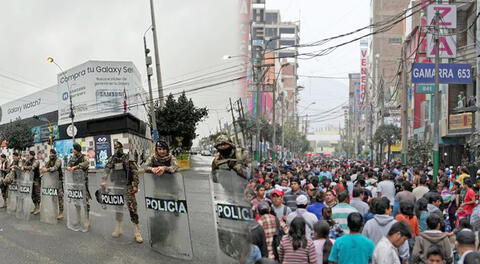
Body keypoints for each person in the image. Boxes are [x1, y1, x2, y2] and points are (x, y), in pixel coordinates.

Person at [102, 141, 143, 243]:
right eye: (115, 148)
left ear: (121, 148)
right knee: (118, 208)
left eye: (118, 148)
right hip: (117, 186)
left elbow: (134, 172)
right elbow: (107, 168)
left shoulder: (127, 158)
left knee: (132, 208)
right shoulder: (112, 158)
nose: (116, 150)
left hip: (128, 186)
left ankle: (137, 232)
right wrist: (104, 180)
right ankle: (118, 228)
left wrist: (135, 185)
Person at [362, 197, 410, 261]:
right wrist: (404, 258)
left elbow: (364, 245)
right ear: (386, 210)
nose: (391, 210)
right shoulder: (396, 225)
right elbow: (404, 250)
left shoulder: (369, 224)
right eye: (390, 208)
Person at [66, 143, 91, 228]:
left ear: (77, 150)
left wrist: (75, 167)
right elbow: (68, 165)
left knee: (85, 202)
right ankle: (78, 218)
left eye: (73, 149)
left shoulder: (83, 157)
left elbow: (87, 163)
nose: (72, 150)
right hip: (75, 182)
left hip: (83, 182)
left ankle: (87, 219)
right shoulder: (72, 157)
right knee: (76, 201)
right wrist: (69, 167)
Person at [40, 149, 64, 219]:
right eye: (50, 153)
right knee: (53, 196)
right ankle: (55, 211)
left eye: (52, 153)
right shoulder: (49, 161)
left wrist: (47, 170)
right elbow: (45, 166)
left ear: (54, 154)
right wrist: (42, 169)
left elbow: (55, 168)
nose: (50, 155)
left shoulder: (58, 160)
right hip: (52, 181)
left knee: (59, 197)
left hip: (58, 181)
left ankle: (61, 212)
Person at [22, 151, 40, 215]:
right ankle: (35, 206)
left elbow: (32, 167)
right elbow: (23, 167)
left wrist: (25, 167)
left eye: (29, 155)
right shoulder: (28, 161)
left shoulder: (36, 161)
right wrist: (24, 167)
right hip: (30, 179)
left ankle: (38, 207)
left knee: (37, 193)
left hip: (36, 179)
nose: (28, 156)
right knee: (32, 194)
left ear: (32, 155)